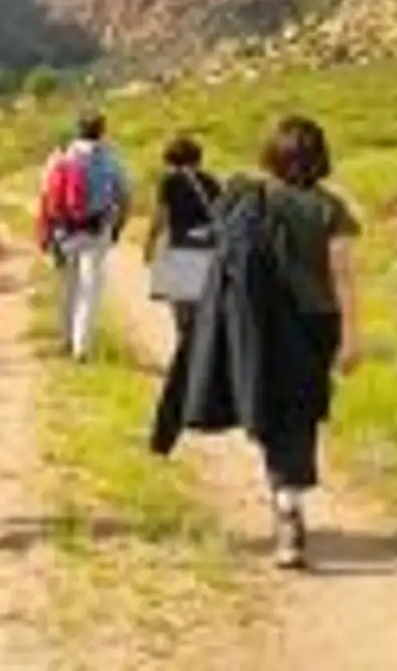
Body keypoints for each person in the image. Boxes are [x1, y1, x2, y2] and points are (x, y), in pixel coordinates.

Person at [150, 115, 362, 570]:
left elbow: (215, 258)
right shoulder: (332, 208)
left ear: (271, 154)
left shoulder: (249, 197)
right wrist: (351, 338)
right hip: (315, 324)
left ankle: (285, 503)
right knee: (300, 411)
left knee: (270, 406)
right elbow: (342, 275)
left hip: (261, 322)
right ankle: (289, 497)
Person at [38, 112, 130, 361]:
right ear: (102, 131)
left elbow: (45, 195)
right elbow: (124, 196)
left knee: (67, 286)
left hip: (64, 231)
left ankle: (65, 340)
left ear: (77, 130)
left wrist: (47, 230)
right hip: (95, 230)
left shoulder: (60, 158)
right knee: (89, 288)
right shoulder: (110, 160)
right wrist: (117, 227)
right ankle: (82, 347)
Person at [140, 135, 221, 337]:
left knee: (182, 307)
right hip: (208, 246)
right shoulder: (211, 181)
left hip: (181, 246)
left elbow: (160, 217)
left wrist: (149, 244)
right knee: (202, 306)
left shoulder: (169, 181)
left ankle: (184, 346)